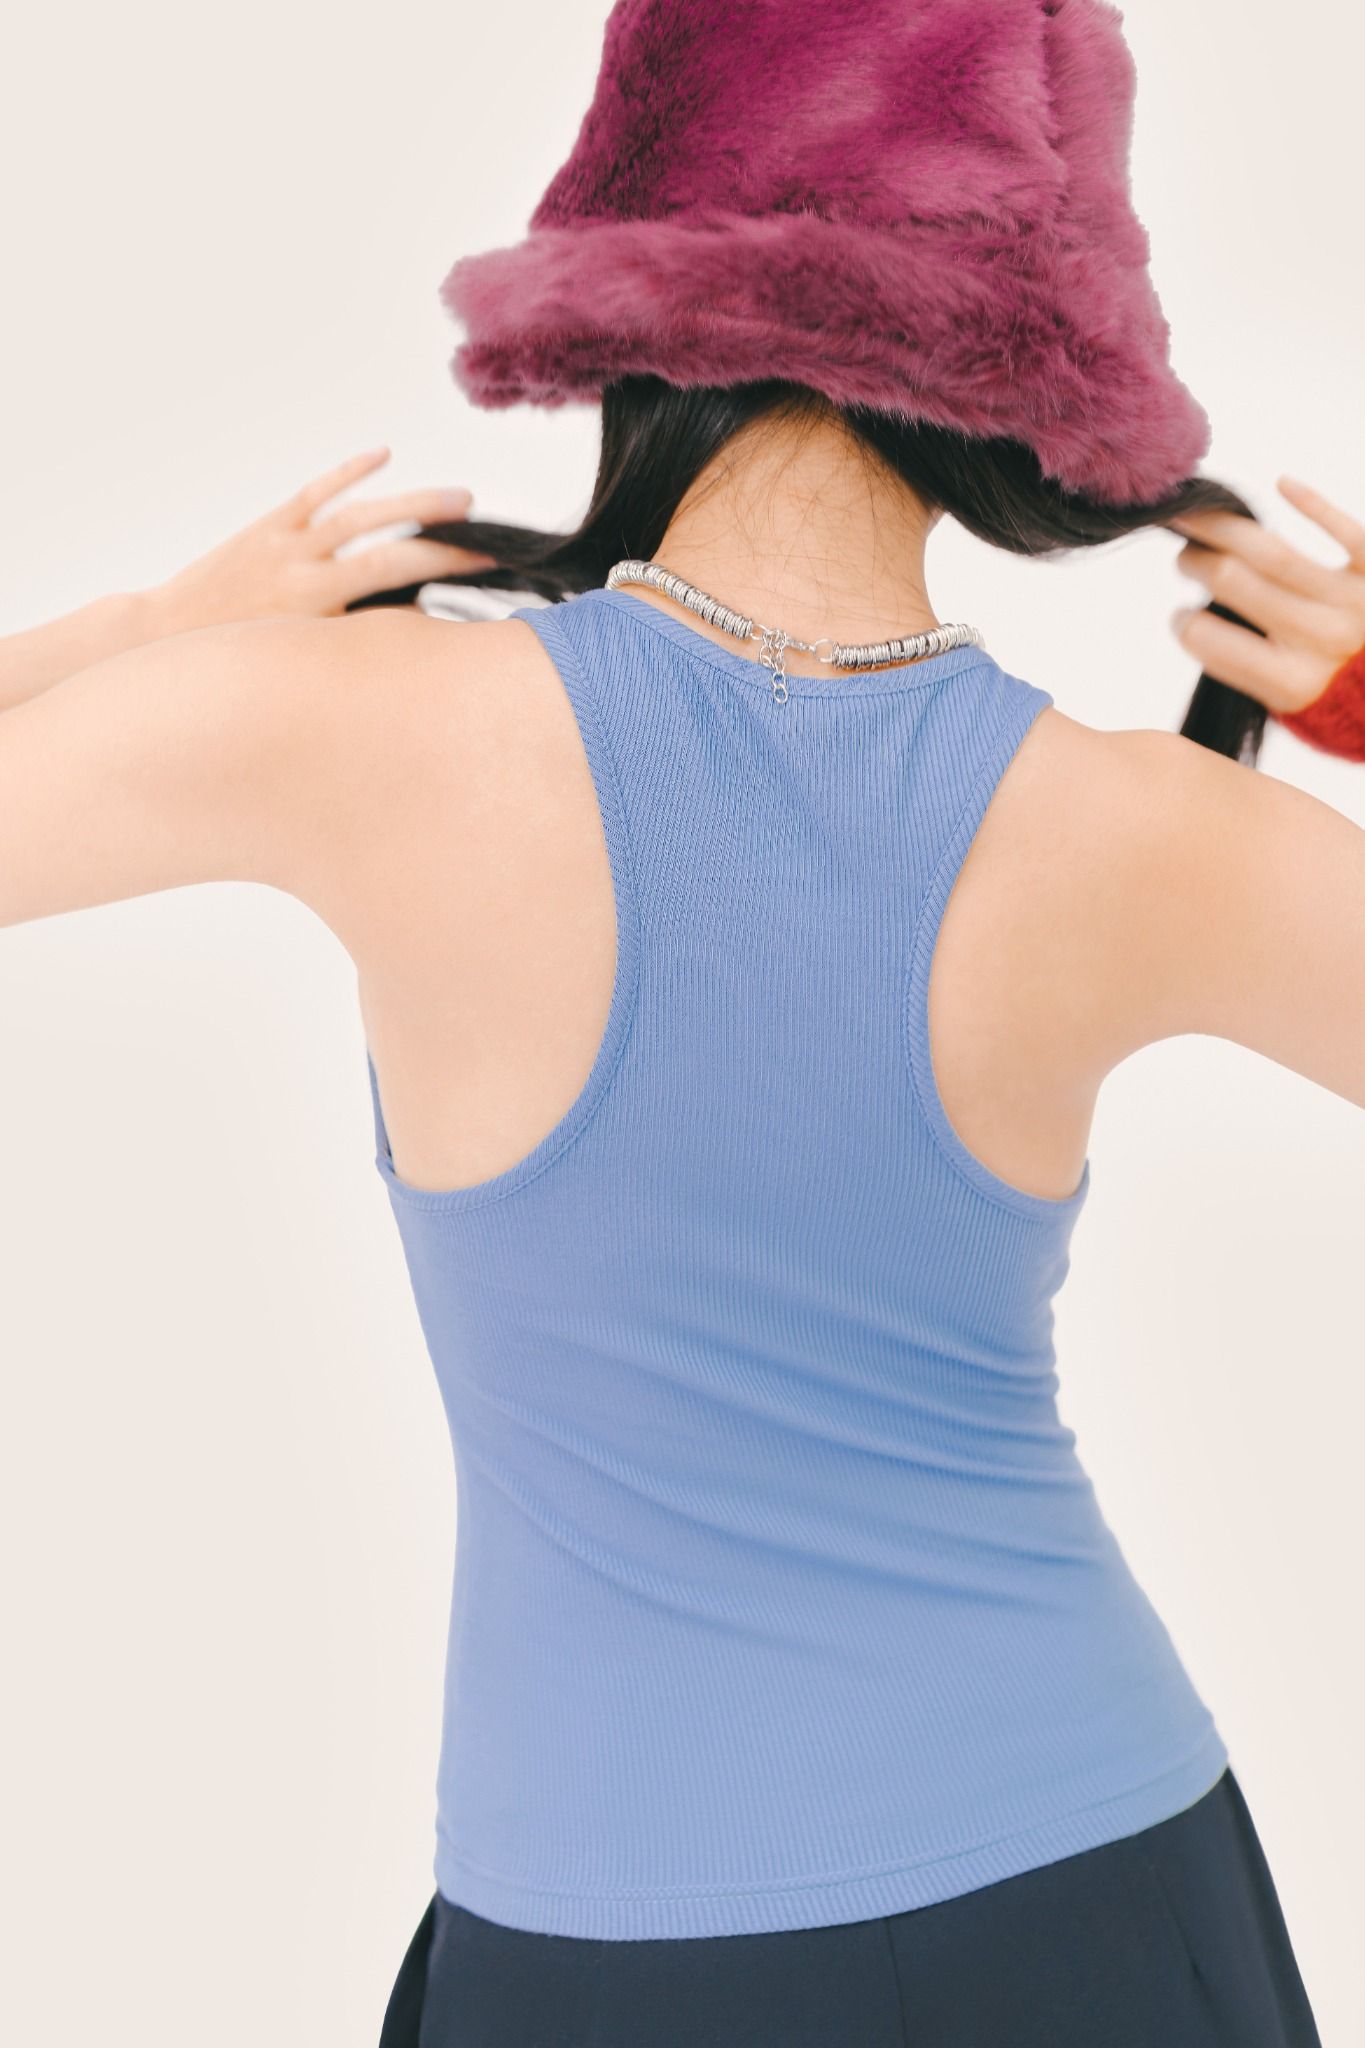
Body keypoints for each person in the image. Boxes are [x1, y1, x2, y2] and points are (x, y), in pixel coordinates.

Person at [4, 3, 1363, 2044]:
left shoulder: (354, 732)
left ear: (626, 283)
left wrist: (132, 641)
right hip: (1083, 1892)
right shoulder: (1133, 829)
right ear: (1036, 352)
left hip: (582, 1940)